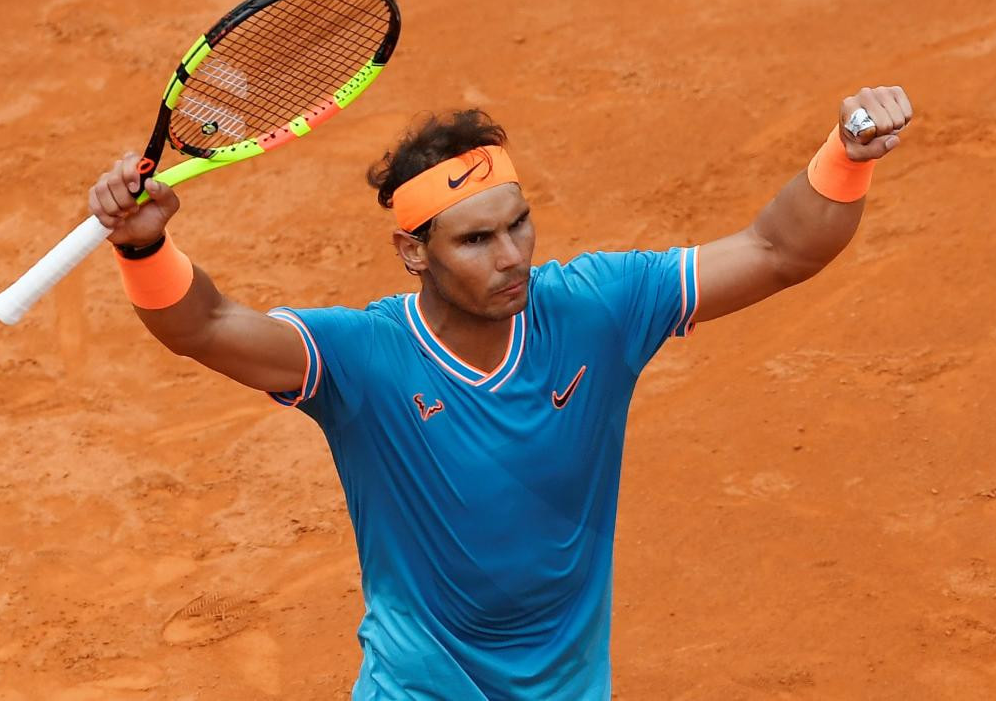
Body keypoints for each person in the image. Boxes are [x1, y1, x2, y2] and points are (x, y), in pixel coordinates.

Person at [89, 86, 912, 699]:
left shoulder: (597, 309)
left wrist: (842, 154)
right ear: (413, 253)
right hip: (418, 686)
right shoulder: (362, 358)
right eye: (475, 239)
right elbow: (206, 325)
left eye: (517, 223)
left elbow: (777, 250)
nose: (512, 254)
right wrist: (146, 247)